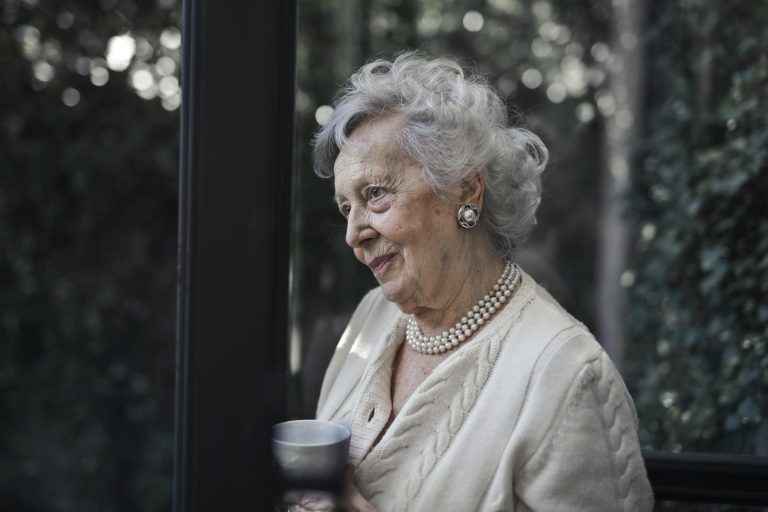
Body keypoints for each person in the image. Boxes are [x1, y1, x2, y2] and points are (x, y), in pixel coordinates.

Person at [292, 52, 653, 511]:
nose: (353, 234)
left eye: (376, 194)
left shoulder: (567, 378)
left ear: (466, 190)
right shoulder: (370, 318)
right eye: (347, 208)